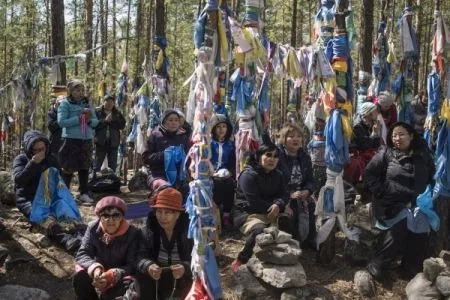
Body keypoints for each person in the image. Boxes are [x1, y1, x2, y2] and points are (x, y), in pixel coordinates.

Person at [364, 122, 435, 279]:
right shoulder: (386, 153)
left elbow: (432, 176)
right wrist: (381, 191)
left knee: (422, 222)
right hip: (390, 203)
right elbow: (369, 173)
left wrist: (428, 196)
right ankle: (378, 260)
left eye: (401, 134)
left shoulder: (423, 155)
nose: (397, 138)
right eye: (394, 135)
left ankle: (410, 265)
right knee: (404, 220)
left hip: (417, 203)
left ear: (411, 136)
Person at [13, 130, 83, 252]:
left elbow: (59, 182)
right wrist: (33, 163)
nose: (41, 152)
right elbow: (19, 181)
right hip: (29, 200)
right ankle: (65, 239)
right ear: (30, 150)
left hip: (50, 197)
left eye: (43, 148)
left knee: (68, 214)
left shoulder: (51, 159)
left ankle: (80, 236)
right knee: (46, 219)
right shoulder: (21, 160)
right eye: (37, 150)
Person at [231, 143, 290, 272]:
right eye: (268, 155)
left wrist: (279, 204)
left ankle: (281, 259)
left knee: (288, 222)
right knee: (259, 230)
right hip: (247, 214)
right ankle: (242, 259)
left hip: (270, 211)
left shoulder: (278, 175)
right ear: (258, 157)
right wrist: (277, 207)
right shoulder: (248, 175)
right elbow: (254, 202)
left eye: (275, 156)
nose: (272, 159)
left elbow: (284, 194)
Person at [73, 196, 139, 300]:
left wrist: (112, 275)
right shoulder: (92, 228)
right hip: (98, 274)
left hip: (120, 276)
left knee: (129, 286)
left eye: (116, 215)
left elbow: (132, 264)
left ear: (122, 217)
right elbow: (82, 254)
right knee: (80, 277)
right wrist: (95, 269)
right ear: (100, 217)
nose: (110, 220)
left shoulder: (132, 233)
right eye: (105, 216)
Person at [134, 188, 193, 299]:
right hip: (157, 277)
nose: (162, 217)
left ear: (177, 214)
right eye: (159, 212)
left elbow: (201, 260)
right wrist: (148, 266)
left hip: (183, 278)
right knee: (142, 278)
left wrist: (185, 267)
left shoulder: (190, 232)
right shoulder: (148, 231)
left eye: (167, 212)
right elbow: (139, 256)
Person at [58, 80, 99, 204]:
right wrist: (79, 118)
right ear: (71, 91)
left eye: (82, 90)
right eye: (77, 90)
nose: (80, 92)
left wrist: (90, 120)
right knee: (68, 167)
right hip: (71, 139)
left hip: (86, 139)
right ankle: (65, 193)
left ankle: (83, 193)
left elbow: (96, 121)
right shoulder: (65, 103)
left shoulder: (87, 103)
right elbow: (61, 122)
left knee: (84, 167)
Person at [276, 123, 315, 245]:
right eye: (291, 136)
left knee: (310, 204)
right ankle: (290, 240)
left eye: (298, 136)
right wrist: (290, 194)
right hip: (283, 194)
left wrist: (307, 191)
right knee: (291, 209)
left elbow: (310, 180)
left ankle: (309, 238)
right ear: (284, 139)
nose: (296, 139)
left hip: (301, 193)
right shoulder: (278, 156)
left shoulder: (305, 157)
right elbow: (275, 182)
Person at [142, 109, 190, 196]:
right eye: (170, 120)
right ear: (164, 122)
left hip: (179, 176)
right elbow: (146, 158)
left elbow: (188, 158)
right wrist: (165, 155)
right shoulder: (155, 135)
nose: (174, 123)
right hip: (158, 175)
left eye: (176, 120)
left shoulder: (183, 136)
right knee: (166, 190)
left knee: (188, 191)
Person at [344, 102, 381, 185]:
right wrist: (374, 134)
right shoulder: (358, 127)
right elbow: (364, 146)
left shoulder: (372, 124)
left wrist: (377, 134)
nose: (377, 113)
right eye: (375, 111)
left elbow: (376, 144)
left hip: (367, 152)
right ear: (369, 113)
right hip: (358, 154)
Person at [210, 114, 236, 229]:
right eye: (218, 127)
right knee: (216, 185)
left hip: (225, 174)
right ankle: (215, 214)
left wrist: (230, 172)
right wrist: (210, 172)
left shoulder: (230, 145)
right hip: (210, 174)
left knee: (230, 185)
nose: (221, 130)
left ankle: (226, 215)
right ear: (213, 129)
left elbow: (233, 162)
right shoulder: (209, 143)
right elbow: (205, 160)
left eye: (224, 126)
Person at [94, 95, 126, 175]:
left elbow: (122, 125)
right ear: (103, 102)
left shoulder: (117, 113)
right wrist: (105, 121)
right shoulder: (97, 112)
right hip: (101, 141)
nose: (109, 104)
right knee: (97, 163)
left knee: (113, 164)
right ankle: (94, 180)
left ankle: (112, 181)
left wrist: (112, 121)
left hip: (113, 142)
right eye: (107, 102)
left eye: (111, 102)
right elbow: (94, 125)